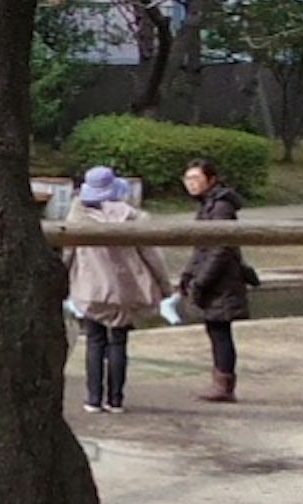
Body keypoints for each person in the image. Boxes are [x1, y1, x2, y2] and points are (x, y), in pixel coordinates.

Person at [61, 165, 167, 413]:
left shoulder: (77, 219)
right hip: (125, 288)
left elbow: (67, 254)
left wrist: (62, 281)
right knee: (119, 342)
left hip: (90, 289)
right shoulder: (134, 218)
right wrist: (164, 286)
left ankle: (93, 398)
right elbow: (152, 256)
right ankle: (116, 399)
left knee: (94, 341)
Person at [173, 157, 259, 403]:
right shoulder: (208, 204)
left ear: (210, 180)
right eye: (187, 179)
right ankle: (220, 382)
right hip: (214, 278)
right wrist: (189, 275)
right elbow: (201, 248)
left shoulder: (221, 207)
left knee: (220, 331)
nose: (191, 184)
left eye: (196, 178)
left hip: (222, 281)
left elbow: (219, 248)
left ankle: (224, 385)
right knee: (216, 330)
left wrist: (201, 281)